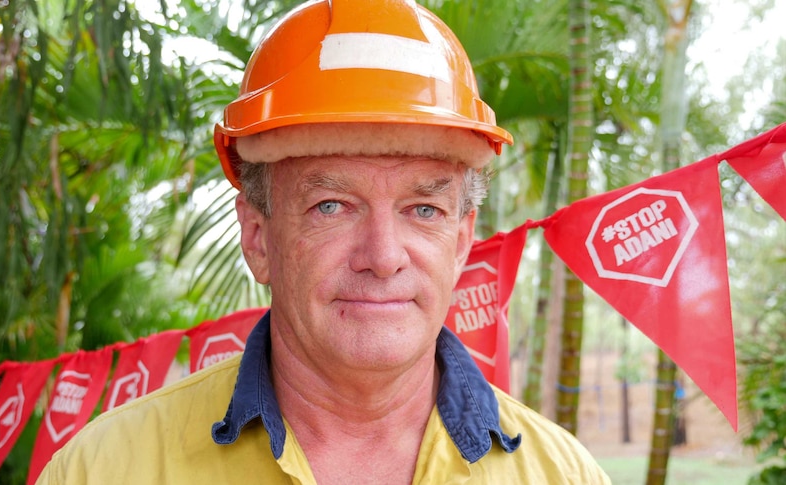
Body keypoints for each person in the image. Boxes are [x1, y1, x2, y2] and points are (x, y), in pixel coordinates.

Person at [37, 0, 611, 483]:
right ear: (258, 237)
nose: (384, 258)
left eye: (423, 208)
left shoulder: (562, 474)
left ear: (461, 241)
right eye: (330, 206)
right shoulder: (106, 469)